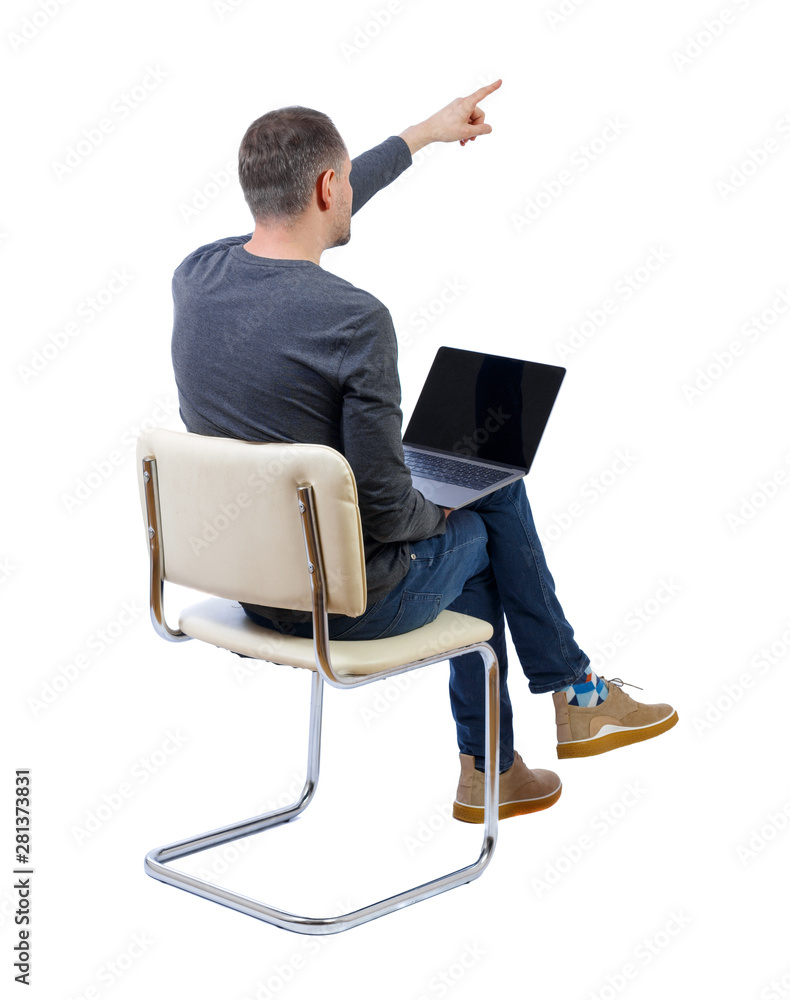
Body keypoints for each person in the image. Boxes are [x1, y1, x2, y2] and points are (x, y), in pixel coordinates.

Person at [171, 80, 677, 824]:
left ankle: (503, 757)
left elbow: (306, 215)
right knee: (489, 502)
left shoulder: (197, 276)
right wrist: (440, 500)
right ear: (326, 186)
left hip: (253, 587)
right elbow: (382, 506)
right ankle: (569, 698)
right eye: (342, 181)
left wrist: (421, 136)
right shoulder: (355, 321)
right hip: (343, 605)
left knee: (470, 502)